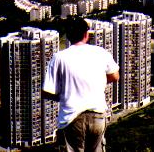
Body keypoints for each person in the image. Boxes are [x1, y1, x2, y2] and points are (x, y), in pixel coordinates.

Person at [42, 17, 119, 152]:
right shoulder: (100, 52)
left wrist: (66, 93)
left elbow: (46, 91)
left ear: (69, 36)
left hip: (72, 117)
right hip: (97, 116)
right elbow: (115, 76)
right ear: (86, 34)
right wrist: (96, 83)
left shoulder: (59, 57)